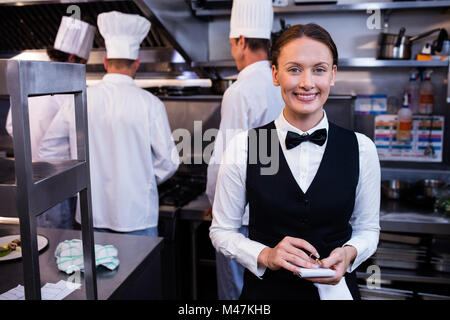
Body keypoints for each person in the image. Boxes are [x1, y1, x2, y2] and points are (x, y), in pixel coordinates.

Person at [209, 23, 380, 300]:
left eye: (319, 69)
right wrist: (265, 254)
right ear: (275, 74)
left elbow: (368, 230)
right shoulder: (245, 146)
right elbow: (222, 231)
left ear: (333, 75)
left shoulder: (361, 149)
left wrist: (350, 253)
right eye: (294, 69)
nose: (307, 83)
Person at [39, 11, 179, 236]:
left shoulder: (80, 99)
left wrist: (82, 178)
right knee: (140, 271)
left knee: (98, 272)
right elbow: (170, 161)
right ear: (137, 64)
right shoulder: (150, 104)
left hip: (91, 216)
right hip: (138, 217)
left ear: (105, 62)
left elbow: (49, 149)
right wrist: (140, 178)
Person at [206, 0, 284, 300]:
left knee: (237, 295)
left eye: (231, 44)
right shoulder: (282, 82)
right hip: (277, 213)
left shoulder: (240, 91)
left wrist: (215, 201)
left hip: (243, 218)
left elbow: (225, 158)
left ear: (240, 42)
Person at [5, 16, 96, 229]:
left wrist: (31, 150)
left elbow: (11, 127)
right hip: (58, 183)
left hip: (27, 180)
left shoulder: (30, 78)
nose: (81, 70)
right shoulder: (67, 87)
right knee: (58, 244)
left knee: (38, 243)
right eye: (83, 64)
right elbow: (74, 138)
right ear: (73, 58)